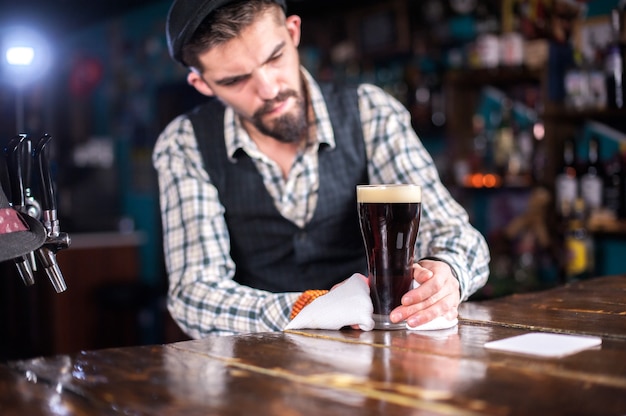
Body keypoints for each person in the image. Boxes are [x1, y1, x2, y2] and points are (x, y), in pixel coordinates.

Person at [153, 0, 490, 337]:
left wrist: (448, 274)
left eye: (274, 58)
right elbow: (194, 294)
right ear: (203, 85)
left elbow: (458, 237)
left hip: (376, 352)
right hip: (259, 365)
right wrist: (309, 309)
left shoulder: (369, 111)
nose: (269, 89)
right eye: (236, 80)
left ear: (293, 32)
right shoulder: (185, 144)